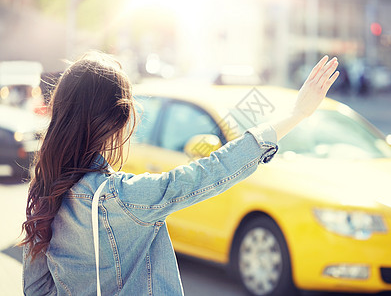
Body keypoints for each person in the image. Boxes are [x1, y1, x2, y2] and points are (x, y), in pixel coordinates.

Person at [20, 51, 339, 295]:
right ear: (118, 121)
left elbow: (35, 289)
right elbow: (212, 171)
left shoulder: (45, 192)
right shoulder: (123, 197)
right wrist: (297, 114)